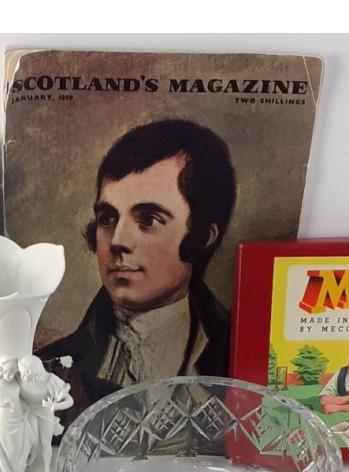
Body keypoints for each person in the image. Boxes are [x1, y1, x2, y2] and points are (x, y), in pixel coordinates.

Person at [40, 118, 237, 418]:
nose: (117, 240)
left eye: (148, 220)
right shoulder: (48, 370)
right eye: (107, 219)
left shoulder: (240, 356)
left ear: (202, 237)